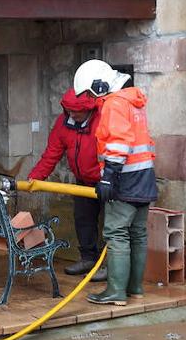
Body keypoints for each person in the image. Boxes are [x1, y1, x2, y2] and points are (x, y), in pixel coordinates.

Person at [72, 59, 157, 306]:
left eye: (89, 92)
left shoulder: (114, 104)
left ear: (100, 85)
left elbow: (119, 141)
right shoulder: (134, 101)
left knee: (116, 233)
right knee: (138, 234)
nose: (90, 98)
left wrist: (108, 177)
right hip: (144, 177)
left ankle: (116, 292)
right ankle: (135, 289)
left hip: (124, 178)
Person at [28, 87, 107, 283]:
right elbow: (51, 153)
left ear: (88, 109)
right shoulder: (63, 123)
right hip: (82, 182)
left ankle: (109, 266)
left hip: (107, 181)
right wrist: (36, 177)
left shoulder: (103, 119)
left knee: (111, 225)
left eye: (76, 112)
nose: (71, 115)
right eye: (68, 111)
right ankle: (88, 259)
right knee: (83, 219)